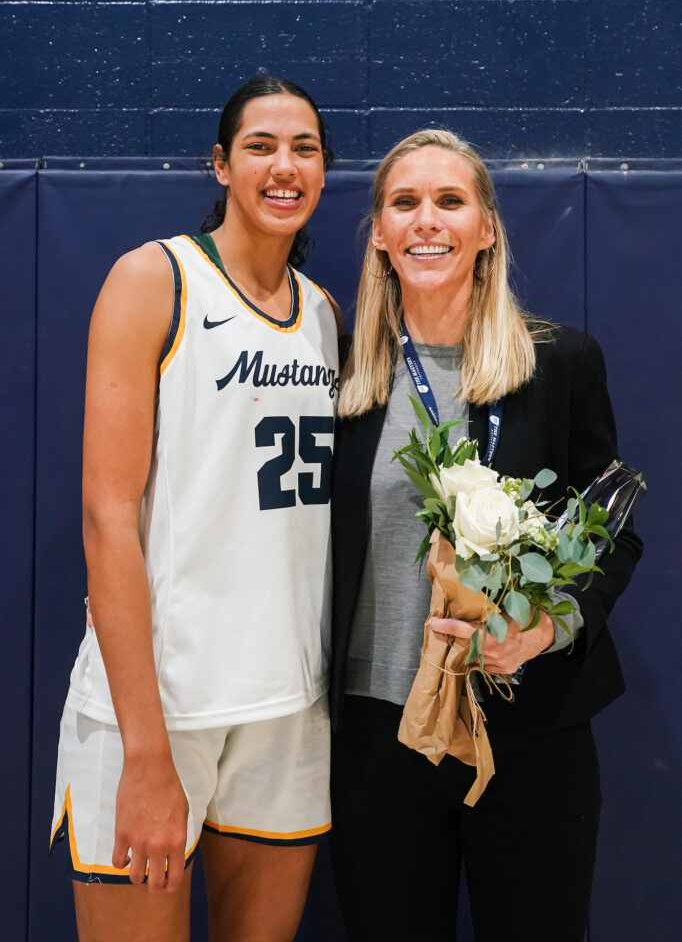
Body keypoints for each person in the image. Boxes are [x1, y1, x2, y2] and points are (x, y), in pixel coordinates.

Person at [329, 129, 642, 942]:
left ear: (487, 228)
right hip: (379, 731)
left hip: (526, 723)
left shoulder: (560, 362)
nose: (427, 220)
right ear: (380, 234)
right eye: (404, 203)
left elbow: (612, 532)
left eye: (450, 201)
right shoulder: (342, 372)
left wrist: (545, 629)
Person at [50, 76, 342, 942]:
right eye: (260, 146)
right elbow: (106, 518)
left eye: (304, 148)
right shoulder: (155, 278)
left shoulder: (325, 314)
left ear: (324, 169)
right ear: (220, 164)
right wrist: (146, 752)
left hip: (288, 705)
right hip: (160, 706)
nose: (284, 166)